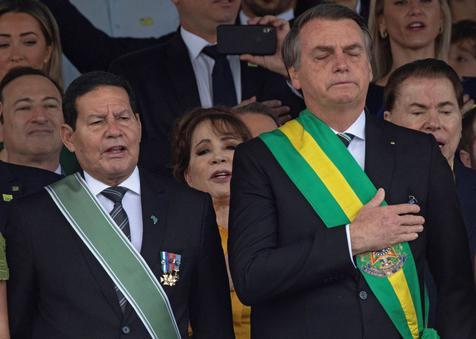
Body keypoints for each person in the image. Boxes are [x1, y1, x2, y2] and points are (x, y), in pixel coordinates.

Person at [228, 4, 476, 338]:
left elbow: (455, 282)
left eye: (353, 52)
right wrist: (351, 239)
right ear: (294, 73)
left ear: (370, 67)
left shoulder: (420, 151)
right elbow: (251, 277)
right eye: (323, 54)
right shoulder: (260, 158)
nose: (341, 64)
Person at [6, 71, 234, 339]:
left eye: (123, 118)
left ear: (138, 125)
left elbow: (214, 322)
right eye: (97, 121)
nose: (114, 131)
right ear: (68, 137)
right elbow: (19, 322)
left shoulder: (190, 207)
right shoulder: (32, 217)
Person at [109, 0, 304, 173]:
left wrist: (294, 70)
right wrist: (223, 123)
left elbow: (325, 128)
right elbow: (135, 150)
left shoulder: (281, 54)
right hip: (184, 205)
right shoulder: (137, 71)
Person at [383, 58, 476, 283]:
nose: (433, 123)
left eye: (445, 112)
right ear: (387, 122)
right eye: (418, 112)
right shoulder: (367, 193)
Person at [171, 107, 251, 338]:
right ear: (187, 175)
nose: (219, 157)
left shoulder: (278, 226)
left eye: (231, 147)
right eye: (204, 151)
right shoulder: (174, 237)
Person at [366, 0, 452, 117]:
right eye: (401, 2)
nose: (415, 10)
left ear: (441, 17)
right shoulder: (361, 101)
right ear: (381, 21)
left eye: (425, 1)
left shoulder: (469, 96)